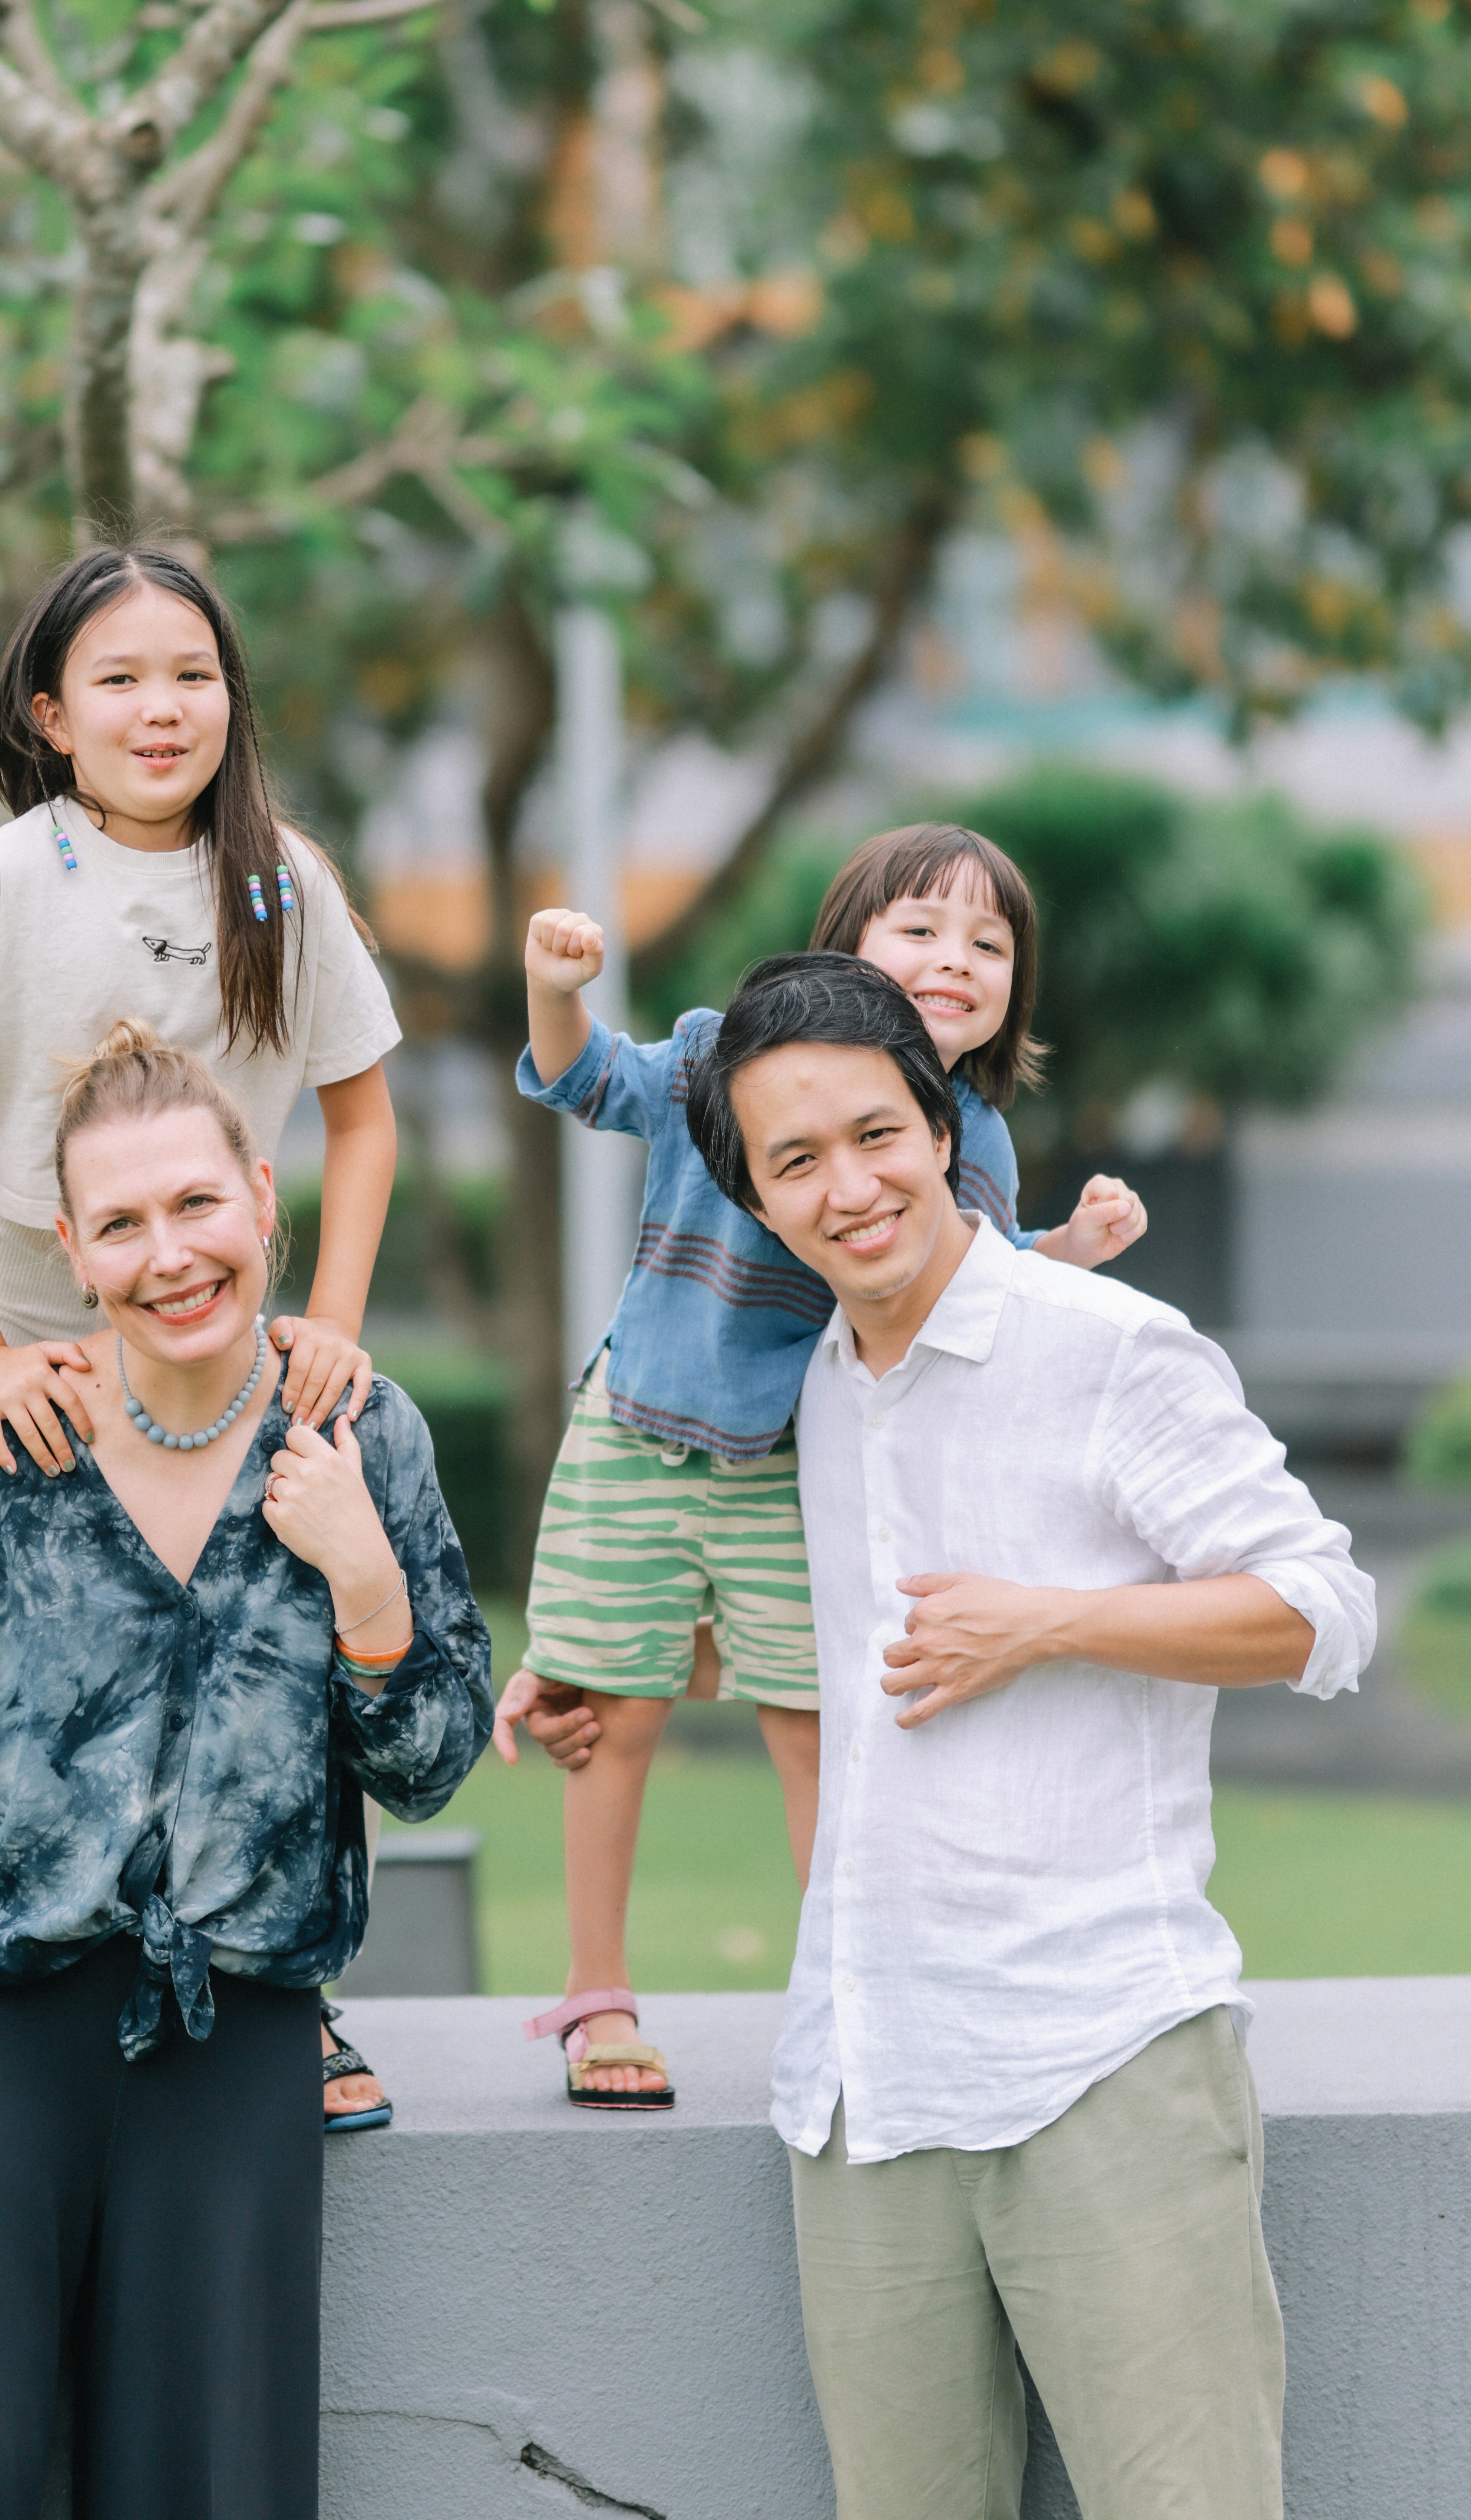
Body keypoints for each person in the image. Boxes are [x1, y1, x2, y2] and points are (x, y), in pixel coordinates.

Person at [684, 953, 1375, 2520]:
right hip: (865, 2080)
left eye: (875, 1132)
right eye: (794, 1159)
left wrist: (1047, 1618)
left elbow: (1322, 1605)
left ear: (938, 1127)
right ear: (756, 1198)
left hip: (1100, 2051)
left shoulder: (1106, 1345)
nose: (847, 1185)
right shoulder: (818, 1383)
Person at [0, 1022, 493, 2520]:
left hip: (230, 2041)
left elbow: (430, 1769)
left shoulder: (363, 1432)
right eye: (121, 1222)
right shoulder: (0, 1450)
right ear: (74, 1248)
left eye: (194, 1204)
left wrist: (364, 1582)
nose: (169, 1253)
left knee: (205, 2482)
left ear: (259, 1196)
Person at [494, 823, 1148, 2109]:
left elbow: (975, 1294)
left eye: (989, 943)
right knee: (611, 1718)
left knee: (821, 1734)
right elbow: (582, 1085)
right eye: (919, 929)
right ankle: (596, 1992)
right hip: (635, 1433)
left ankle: (849, 1991)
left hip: (799, 1470)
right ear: (844, 942)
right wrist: (556, 990)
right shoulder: (713, 1058)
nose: (954, 959)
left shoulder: (970, 1142)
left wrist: (1064, 1250)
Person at [0, 539, 404, 2125]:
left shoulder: (277, 878)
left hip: (205, 1340)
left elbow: (361, 1121)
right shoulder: (2, 878)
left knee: (256, 1654)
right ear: (50, 713)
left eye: (191, 673)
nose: (161, 707)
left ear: (232, 695)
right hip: (22, 1328)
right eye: (118, 679)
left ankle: (282, 1990)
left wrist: (330, 1328)